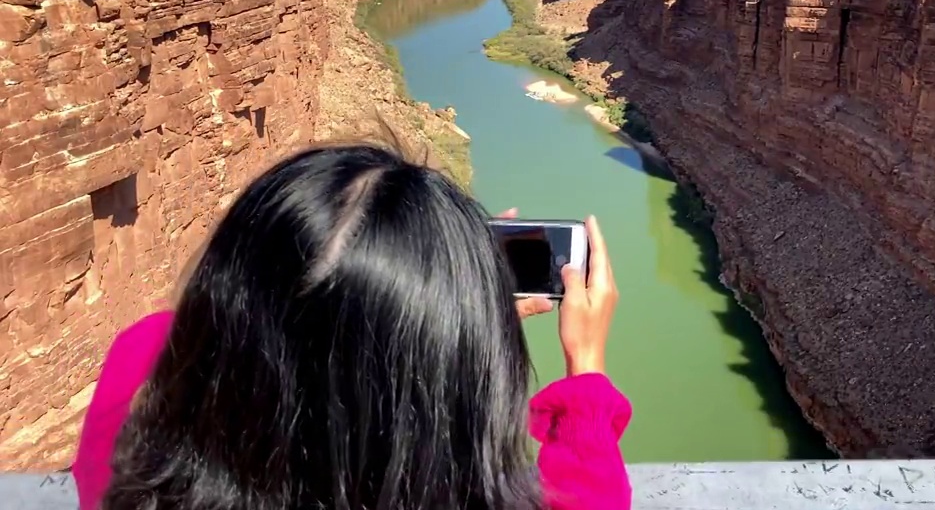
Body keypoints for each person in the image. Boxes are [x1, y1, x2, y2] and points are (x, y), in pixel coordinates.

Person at [70, 143, 629, 510]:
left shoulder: (139, 407)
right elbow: (590, 498)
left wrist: (418, 307)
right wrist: (581, 366)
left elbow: (229, 334)